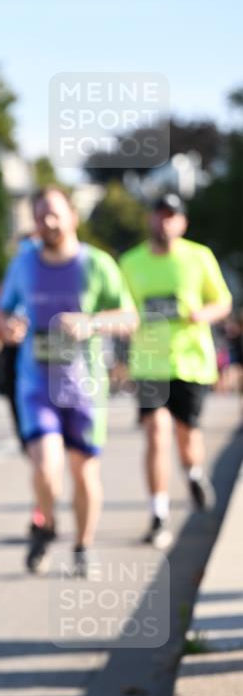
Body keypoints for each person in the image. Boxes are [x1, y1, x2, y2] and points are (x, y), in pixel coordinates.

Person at [0, 186, 136, 576]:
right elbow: (1, 311)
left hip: (84, 386)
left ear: (73, 216)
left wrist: (91, 323)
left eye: (55, 214)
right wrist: (9, 326)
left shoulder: (97, 264)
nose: (49, 222)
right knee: (46, 468)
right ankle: (48, 525)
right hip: (36, 384)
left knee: (84, 472)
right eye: (41, 216)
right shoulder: (23, 264)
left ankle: (82, 545)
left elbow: (129, 317)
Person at [120, 193, 232, 548]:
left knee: (188, 440)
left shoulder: (199, 257)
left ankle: (195, 473)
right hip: (149, 361)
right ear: (150, 220)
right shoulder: (131, 261)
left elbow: (223, 301)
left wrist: (203, 314)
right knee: (156, 433)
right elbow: (122, 308)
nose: (164, 222)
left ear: (181, 222)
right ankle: (158, 513)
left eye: (171, 216)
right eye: (159, 215)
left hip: (190, 362)